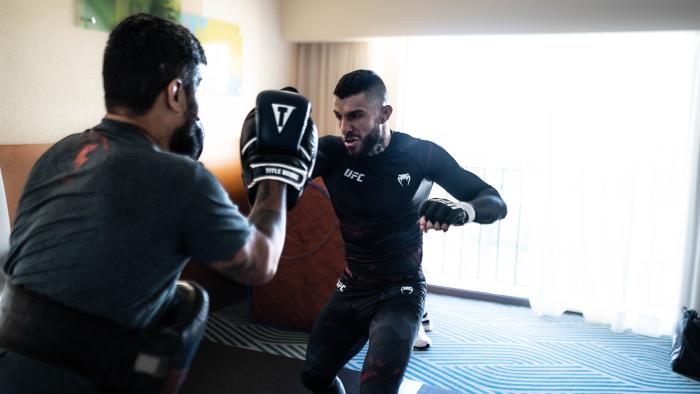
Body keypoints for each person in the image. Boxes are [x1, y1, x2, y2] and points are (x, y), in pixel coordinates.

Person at [0, 14, 316, 393]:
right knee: (189, 306)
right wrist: (275, 178)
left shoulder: (58, 155)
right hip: (68, 384)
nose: (197, 106)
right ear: (176, 92)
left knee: (172, 300)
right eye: (196, 87)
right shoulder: (180, 178)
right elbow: (260, 263)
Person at [299, 70, 507, 394]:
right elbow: (281, 195)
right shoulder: (331, 152)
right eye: (339, 116)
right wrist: (273, 162)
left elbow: (494, 201)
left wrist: (462, 211)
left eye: (356, 116)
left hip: (401, 291)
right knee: (313, 376)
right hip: (351, 285)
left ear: (384, 113)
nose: (344, 128)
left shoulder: (420, 155)